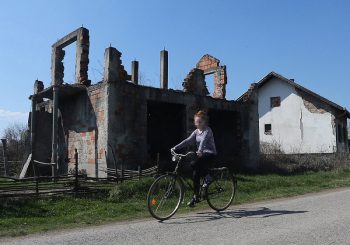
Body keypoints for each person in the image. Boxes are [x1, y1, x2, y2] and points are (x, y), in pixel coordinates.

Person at [171, 110, 217, 207]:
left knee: (193, 164)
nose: (198, 123)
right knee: (195, 174)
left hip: (210, 153)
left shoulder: (207, 130)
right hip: (201, 154)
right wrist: (175, 147)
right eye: (196, 121)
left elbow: (203, 141)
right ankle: (195, 197)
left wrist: (200, 150)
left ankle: (208, 177)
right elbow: (187, 141)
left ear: (204, 122)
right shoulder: (196, 132)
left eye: (200, 121)